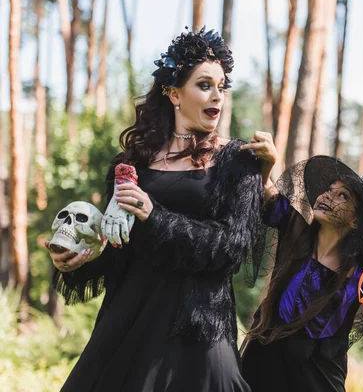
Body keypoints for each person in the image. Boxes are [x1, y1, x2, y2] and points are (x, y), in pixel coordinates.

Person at [46, 27, 275, 392]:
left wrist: (156, 216)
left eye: (222, 86)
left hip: (199, 331)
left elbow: (233, 247)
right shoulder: (131, 163)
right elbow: (122, 251)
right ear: (173, 94)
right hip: (129, 323)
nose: (217, 95)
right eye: (204, 85)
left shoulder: (239, 161)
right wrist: (80, 259)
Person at [240, 156, 363, 392]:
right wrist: (267, 164)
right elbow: (268, 192)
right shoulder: (296, 233)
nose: (327, 196)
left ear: (356, 221)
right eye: (328, 190)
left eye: (342, 195)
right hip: (264, 363)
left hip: (319, 376)